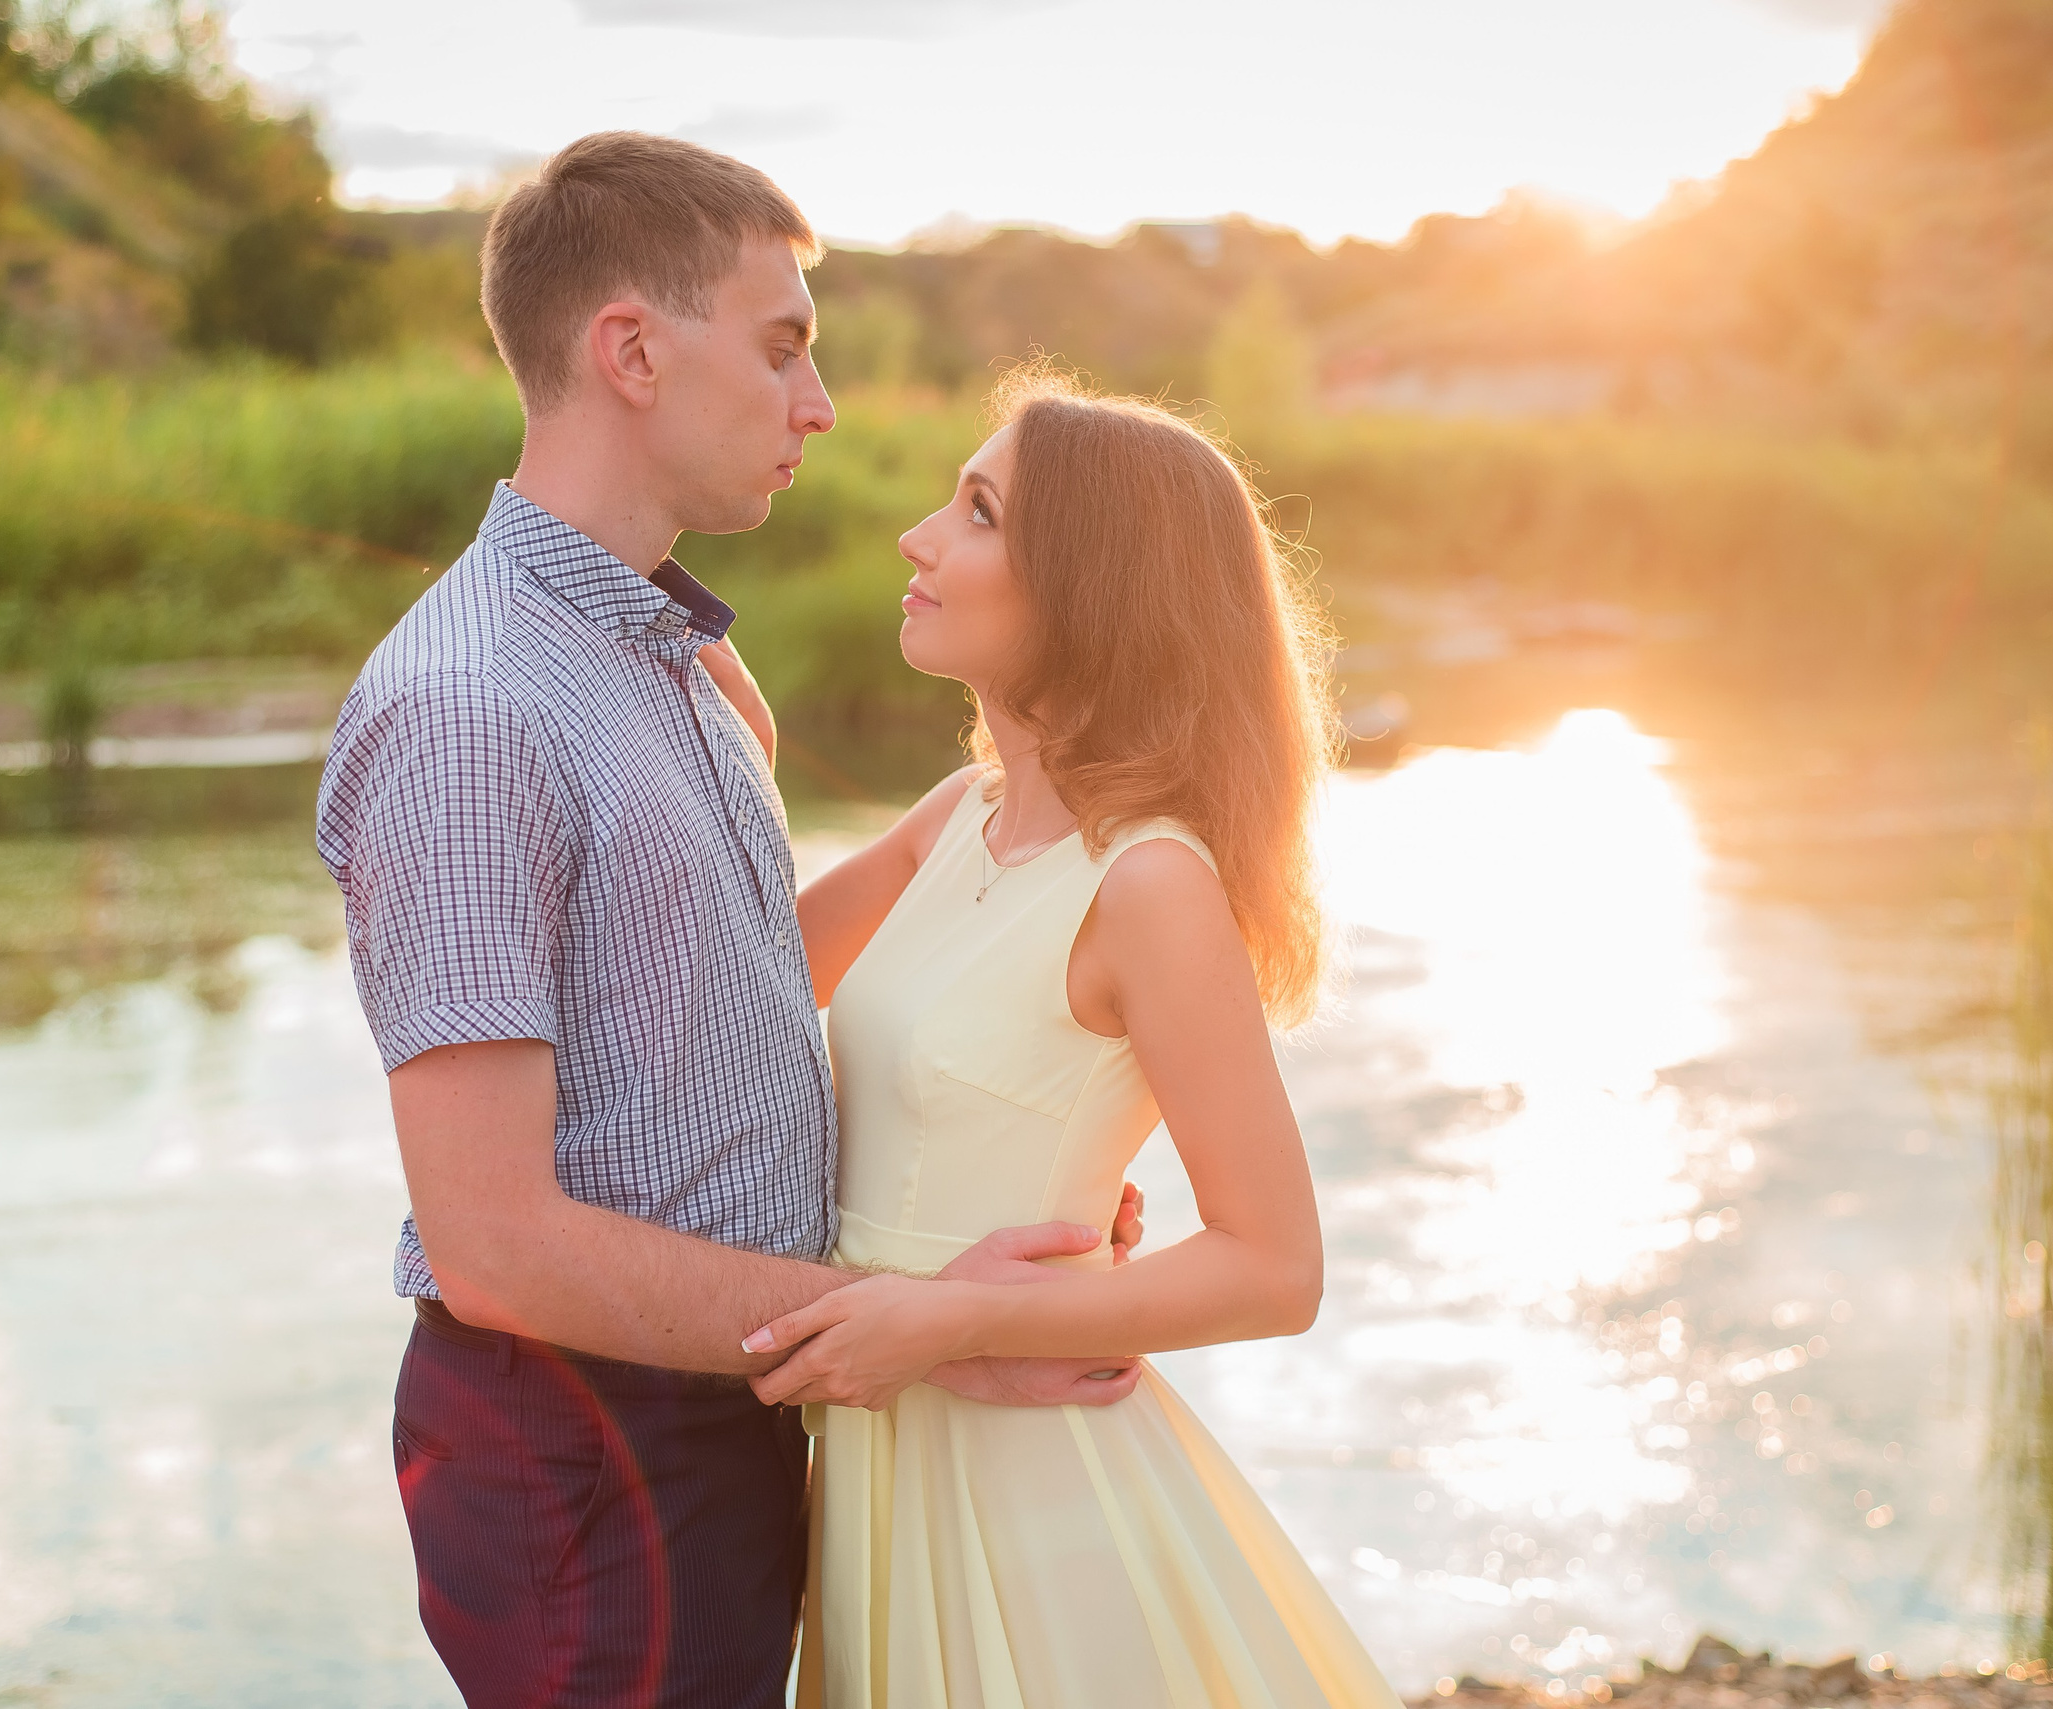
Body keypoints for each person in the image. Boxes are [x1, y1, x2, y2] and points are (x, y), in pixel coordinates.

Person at [314, 135, 1143, 1709]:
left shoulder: (677, 661)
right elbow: (494, 1244)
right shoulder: (470, 708)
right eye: (783, 350)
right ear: (630, 349)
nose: (818, 406)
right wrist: (921, 1332)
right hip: (585, 1443)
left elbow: (729, 995)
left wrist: (1013, 1168)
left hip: (722, 1387)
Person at [748, 367, 1408, 1706]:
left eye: (978, 512)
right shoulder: (954, 814)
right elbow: (734, 986)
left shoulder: (1148, 879)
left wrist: (971, 1316)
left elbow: (1275, 1267)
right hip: (882, 1458)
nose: (917, 539)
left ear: (1091, 589)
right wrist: (723, 722)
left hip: (1028, 1484)